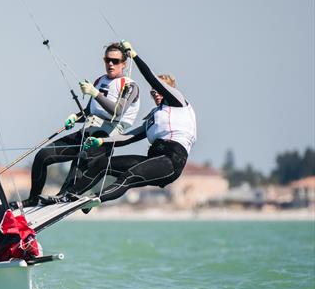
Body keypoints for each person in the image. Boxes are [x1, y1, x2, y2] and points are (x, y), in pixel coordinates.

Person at [72, 41, 197, 204]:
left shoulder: (178, 102)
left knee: (128, 177)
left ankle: (95, 199)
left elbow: (150, 78)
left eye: (159, 90)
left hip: (172, 160)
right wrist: (101, 141)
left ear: (169, 89)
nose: (156, 94)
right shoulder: (154, 116)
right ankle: (70, 194)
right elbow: (129, 137)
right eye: (153, 92)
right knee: (102, 165)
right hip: (153, 158)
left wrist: (135, 56)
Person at [22, 42, 140, 207]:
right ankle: (33, 199)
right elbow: (88, 111)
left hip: (104, 137)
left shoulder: (129, 86)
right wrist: (75, 118)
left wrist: (94, 93)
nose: (110, 64)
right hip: (87, 131)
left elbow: (117, 111)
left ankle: (63, 197)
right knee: (42, 156)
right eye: (107, 60)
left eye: (115, 61)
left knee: (78, 166)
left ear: (124, 64)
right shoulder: (100, 80)